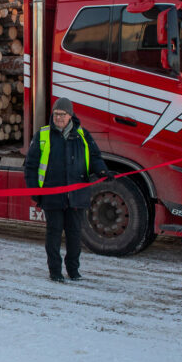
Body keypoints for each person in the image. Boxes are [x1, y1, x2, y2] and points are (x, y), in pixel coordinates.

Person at [24, 97, 110, 282]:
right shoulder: (43, 135)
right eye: (55, 114)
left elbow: (95, 157)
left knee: (74, 235)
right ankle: (55, 271)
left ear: (70, 115)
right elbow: (30, 166)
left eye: (62, 115)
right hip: (52, 196)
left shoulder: (82, 135)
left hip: (76, 196)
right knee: (53, 235)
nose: (58, 118)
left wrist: (102, 170)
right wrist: (35, 192)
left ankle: (73, 270)